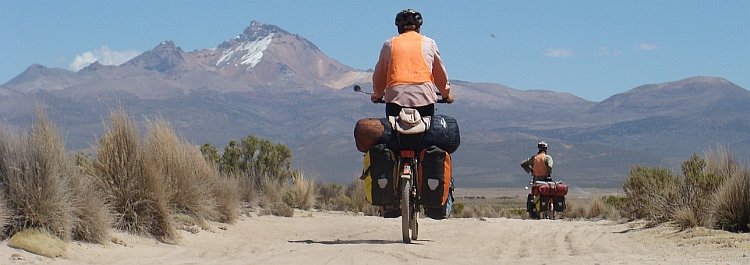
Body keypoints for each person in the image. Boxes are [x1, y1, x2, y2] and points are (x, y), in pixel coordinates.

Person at [371, 9, 454, 118]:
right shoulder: (429, 43)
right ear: (418, 28)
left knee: (393, 130)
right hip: (424, 96)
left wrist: (377, 95)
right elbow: (439, 73)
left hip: (396, 97)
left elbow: (380, 75)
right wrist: (445, 94)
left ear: (399, 28)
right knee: (428, 131)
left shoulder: (389, 44)